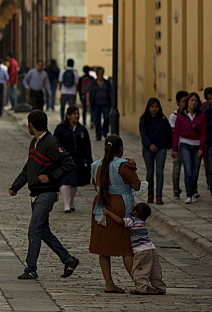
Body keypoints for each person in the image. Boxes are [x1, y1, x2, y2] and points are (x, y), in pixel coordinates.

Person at [8, 110, 79, 280]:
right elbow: (28, 168)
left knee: (34, 229)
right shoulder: (35, 142)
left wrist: (50, 177)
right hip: (36, 193)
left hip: (46, 194)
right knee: (44, 231)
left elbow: (69, 163)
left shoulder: (51, 143)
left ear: (31, 125)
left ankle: (31, 268)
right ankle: (68, 260)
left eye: (28, 123)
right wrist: (16, 186)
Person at [89, 135, 141, 293]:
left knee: (104, 248)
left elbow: (94, 185)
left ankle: (109, 283)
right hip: (120, 206)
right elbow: (137, 186)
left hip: (101, 206)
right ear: (121, 149)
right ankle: (140, 283)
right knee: (126, 247)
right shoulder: (123, 166)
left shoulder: (96, 165)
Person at [103, 203, 166, 295]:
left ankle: (140, 288)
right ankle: (160, 287)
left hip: (141, 251)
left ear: (135, 212)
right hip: (151, 248)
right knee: (154, 270)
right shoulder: (142, 223)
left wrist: (109, 213)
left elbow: (120, 221)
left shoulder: (132, 221)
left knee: (140, 270)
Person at [56, 106, 92, 213]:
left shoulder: (82, 130)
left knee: (74, 183)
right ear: (68, 116)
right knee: (65, 181)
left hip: (78, 161)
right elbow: (55, 145)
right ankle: (66, 205)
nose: (77, 116)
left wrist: (89, 162)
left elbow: (87, 147)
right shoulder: (60, 129)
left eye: (78, 113)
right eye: (74, 114)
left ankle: (71, 202)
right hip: (65, 161)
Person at [172, 92, 206, 204]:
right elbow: (176, 132)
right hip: (185, 144)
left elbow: (203, 133)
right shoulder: (181, 116)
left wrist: (201, 147)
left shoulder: (201, 116)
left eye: (196, 101)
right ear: (187, 102)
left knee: (195, 172)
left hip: (197, 145)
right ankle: (189, 195)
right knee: (188, 169)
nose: (193, 103)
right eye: (191, 100)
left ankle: (193, 190)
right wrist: (174, 148)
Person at [139, 97, 173, 205]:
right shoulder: (144, 120)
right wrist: (150, 145)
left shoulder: (163, 119)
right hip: (148, 149)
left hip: (161, 148)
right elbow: (143, 135)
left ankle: (159, 195)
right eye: (152, 107)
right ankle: (150, 194)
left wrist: (168, 145)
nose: (154, 109)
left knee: (159, 172)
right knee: (150, 173)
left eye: (156, 107)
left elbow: (169, 133)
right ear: (148, 108)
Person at [168, 90, 190, 199]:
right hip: (178, 146)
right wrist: (174, 148)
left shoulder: (190, 115)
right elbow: (173, 133)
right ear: (178, 102)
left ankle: (192, 189)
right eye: (183, 101)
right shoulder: (174, 116)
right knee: (177, 169)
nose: (185, 104)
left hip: (189, 145)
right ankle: (176, 189)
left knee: (189, 169)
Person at [86, 67, 113, 141]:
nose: (101, 75)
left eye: (102, 74)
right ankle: (98, 134)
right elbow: (88, 92)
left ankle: (104, 131)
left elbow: (111, 92)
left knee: (107, 118)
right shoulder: (93, 83)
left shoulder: (107, 83)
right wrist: (88, 101)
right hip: (96, 104)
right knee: (97, 120)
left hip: (106, 103)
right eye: (99, 74)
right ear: (97, 74)